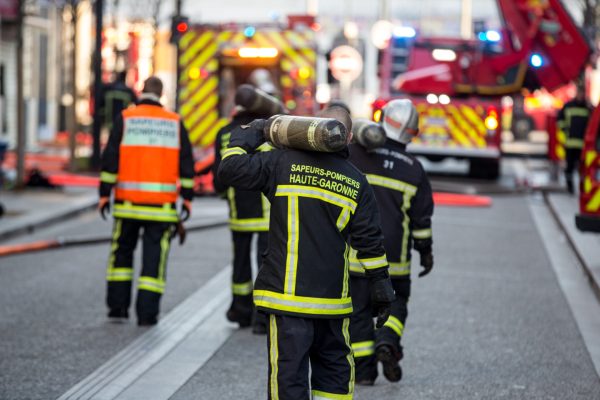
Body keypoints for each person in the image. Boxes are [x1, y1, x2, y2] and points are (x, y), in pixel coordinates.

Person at [218, 108, 396, 399]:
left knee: (289, 382)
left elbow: (230, 169)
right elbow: (370, 242)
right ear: (348, 138)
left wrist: (251, 133)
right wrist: (381, 285)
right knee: (335, 380)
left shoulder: (281, 162)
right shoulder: (356, 181)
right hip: (332, 305)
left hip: (288, 302)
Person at [348, 99, 434, 385]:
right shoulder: (414, 169)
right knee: (398, 304)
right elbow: (421, 220)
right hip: (394, 260)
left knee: (358, 311)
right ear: (412, 132)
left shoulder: (357, 155)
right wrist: (425, 251)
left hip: (356, 256)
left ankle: (364, 372)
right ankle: (387, 341)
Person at [98, 76, 195, 326]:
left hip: (127, 204)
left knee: (121, 256)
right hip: (160, 209)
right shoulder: (174, 122)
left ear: (142, 92)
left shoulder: (126, 118)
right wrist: (187, 199)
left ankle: (118, 309)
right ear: (161, 94)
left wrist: (103, 194)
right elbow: (186, 163)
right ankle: (147, 314)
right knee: (154, 261)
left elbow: (110, 159)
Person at [212, 89, 274, 334]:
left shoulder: (225, 133)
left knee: (240, 262)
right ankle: (262, 318)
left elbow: (220, 174)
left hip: (239, 209)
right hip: (268, 211)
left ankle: (240, 310)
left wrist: (222, 193)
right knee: (266, 263)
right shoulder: (270, 132)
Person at [557, 84, 592, 194]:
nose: (580, 96)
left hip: (583, 145)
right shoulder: (568, 106)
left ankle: (583, 190)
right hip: (570, 143)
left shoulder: (588, 108)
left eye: (582, 94)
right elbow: (560, 121)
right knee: (569, 168)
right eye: (579, 93)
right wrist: (565, 132)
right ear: (576, 93)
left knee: (583, 170)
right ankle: (570, 188)